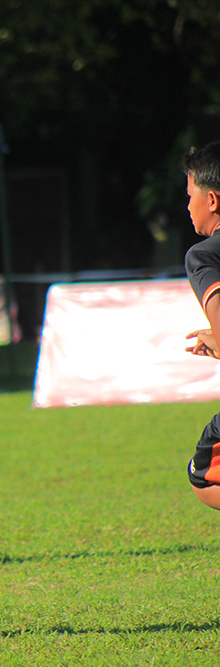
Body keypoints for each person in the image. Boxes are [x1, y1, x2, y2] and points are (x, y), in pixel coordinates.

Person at [181, 140, 220, 511]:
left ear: (212, 201)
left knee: (204, 474)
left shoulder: (206, 255)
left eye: (190, 194)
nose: (187, 205)